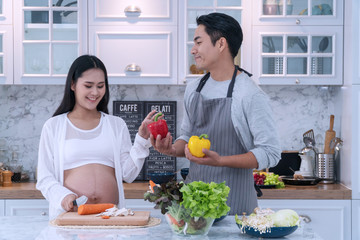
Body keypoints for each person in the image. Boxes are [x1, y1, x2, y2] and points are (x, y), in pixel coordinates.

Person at [150, 13, 281, 215]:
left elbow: (270, 152)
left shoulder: (249, 94)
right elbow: (187, 137)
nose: (193, 50)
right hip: (195, 207)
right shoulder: (194, 89)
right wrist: (170, 149)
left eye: (198, 42)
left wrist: (221, 161)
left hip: (237, 208)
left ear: (221, 44)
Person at [36, 55, 157, 220]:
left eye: (100, 86)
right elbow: (44, 177)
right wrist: (63, 197)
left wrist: (142, 140)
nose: (95, 92)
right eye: (88, 86)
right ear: (72, 84)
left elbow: (128, 174)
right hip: (71, 219)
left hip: (111, 219)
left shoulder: (116, 124)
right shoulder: (54, 126)